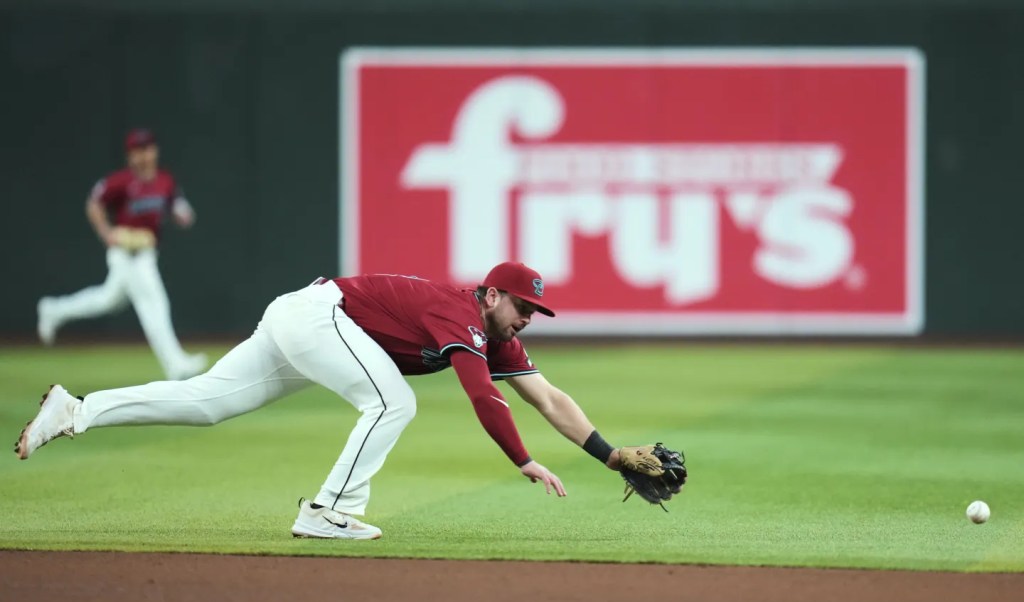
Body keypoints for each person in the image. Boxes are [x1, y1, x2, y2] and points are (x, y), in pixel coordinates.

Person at [15, 262, 636, 540]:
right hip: (318, 316)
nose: (529, 317)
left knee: (206, 402)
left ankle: (76, 410)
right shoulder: (459, 312)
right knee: (394, 404)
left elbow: (548, 398)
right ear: (492, 295)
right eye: (523, 305)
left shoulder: (495, 337)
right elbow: (480, 397)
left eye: (536, 311)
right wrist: (521, 459)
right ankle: (329, 510)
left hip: (307, 320)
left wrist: (609, 456)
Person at [35, 128, 207, 381]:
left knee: (106, 300)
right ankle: (176, 365)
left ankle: (53, 309)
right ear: (130, 156)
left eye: (147, 149)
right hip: (125, 255)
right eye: (137, 151)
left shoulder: (164, 181)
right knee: (155, 303)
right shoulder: (121, 182)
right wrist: (106, 233)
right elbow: (94, 204)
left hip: (147, 253)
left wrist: (182, 213)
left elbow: (177, 206)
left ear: (155, 150)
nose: (143, 155)